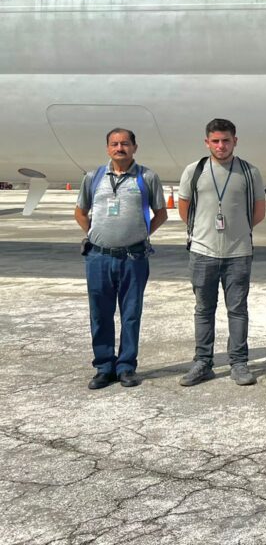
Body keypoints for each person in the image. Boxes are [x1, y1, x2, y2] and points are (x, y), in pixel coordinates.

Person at [74, 128, 167, 389]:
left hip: (133, 257)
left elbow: (161, 213)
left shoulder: (147, 177)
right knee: (100, 314)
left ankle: (126, 366)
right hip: (99, 258)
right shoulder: (93, 177)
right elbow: (81, 211)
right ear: (107, 149)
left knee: (130, 314)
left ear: (134, 147)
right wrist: (95, 234)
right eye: (114, 144)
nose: (119, 148)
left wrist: (140, 233)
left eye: (125, 143)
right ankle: (104, 367)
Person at [177, 118, 266, 387]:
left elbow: (258, 211)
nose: (221, 145)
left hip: (238, 252)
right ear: (207, 142)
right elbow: (185, 207)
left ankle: (238, 363)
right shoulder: (194, 171)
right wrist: (203, 233)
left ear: (235, 141)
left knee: (237, 309)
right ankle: (203, 362)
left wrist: (237, 232)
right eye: (215, 141)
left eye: (226, 140)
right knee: (203, 309)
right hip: (203, 252)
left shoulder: (249, 172)